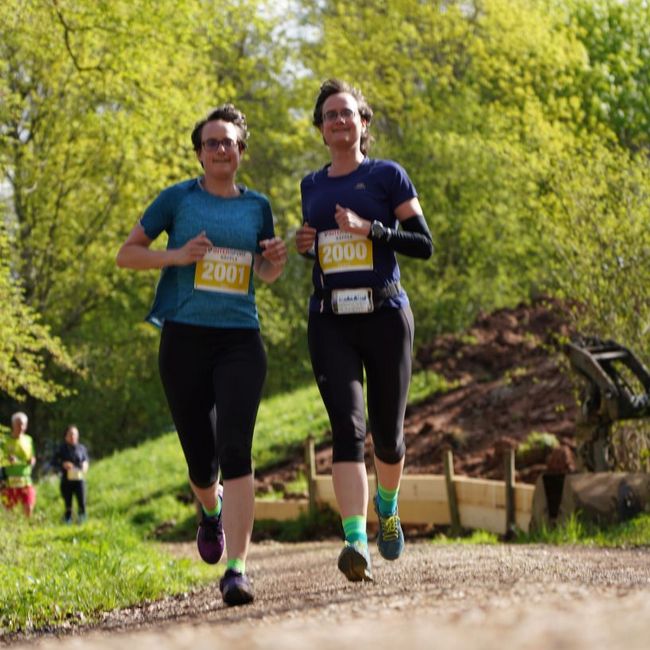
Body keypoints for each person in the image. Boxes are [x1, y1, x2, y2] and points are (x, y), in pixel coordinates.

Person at [116, 103, 287, 607]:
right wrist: (178, 255)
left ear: (241, 151)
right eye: (212, 142)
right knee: (201, 458)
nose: (221, 150)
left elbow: (264, 274)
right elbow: (127, 254)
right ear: (199, 152)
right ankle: (209, 511)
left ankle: (237, 569)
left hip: (239, 339)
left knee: (236, 448)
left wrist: (272, 263)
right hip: (184, 338)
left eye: (230, 142)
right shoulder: (176, 200)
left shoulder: (257, 206)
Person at [295, 79, 433, 582]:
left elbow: (423, 243)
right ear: (321, 127)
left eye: (346, 113)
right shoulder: (312, 185)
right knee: (347, 432)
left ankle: (388, 506)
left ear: (363, 122)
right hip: (331, 319)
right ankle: (356, 540)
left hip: (385, 316)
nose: (338, 121)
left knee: (389, 439)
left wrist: (370, 229)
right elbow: (320, 246)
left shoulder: (388, 176)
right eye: (329, 115)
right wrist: (306, 244)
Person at [0, 412, 37, 517]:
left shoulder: (28, 439)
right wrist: (7, 459)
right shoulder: (4, 440)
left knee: (29, 506)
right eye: (18, 424)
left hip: (25, 479)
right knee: (9, 511)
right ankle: (11, 531)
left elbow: (32, 456)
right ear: (13, 424)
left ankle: (28, 530)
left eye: (23, 424)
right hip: (9, 481)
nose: (21, 427)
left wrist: (32, 461)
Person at [53, 425, 89, 524]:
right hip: (66, 480)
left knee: (82, 502)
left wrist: (85, 465)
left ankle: (82, 522)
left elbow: (86, 460)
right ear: (66, 436)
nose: (73, 436)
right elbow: (53, 462)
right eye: (71, 434)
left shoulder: (82, 448)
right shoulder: (61, 449)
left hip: (79, 480)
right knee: (68, 504)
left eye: (75, 434)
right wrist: (63, 464)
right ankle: (67, 522)